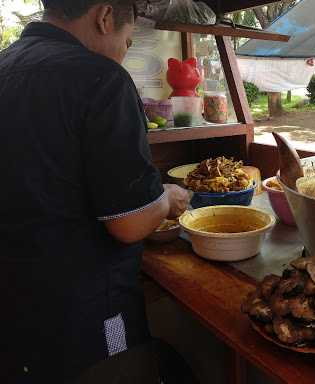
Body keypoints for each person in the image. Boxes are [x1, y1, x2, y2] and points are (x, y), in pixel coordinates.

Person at [0, 1, 191, 382]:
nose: (124, 52)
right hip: (83, 319)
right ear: (105, 18)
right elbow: (130, 223)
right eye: (128, 40)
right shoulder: (100, 78)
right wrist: (167, 199)